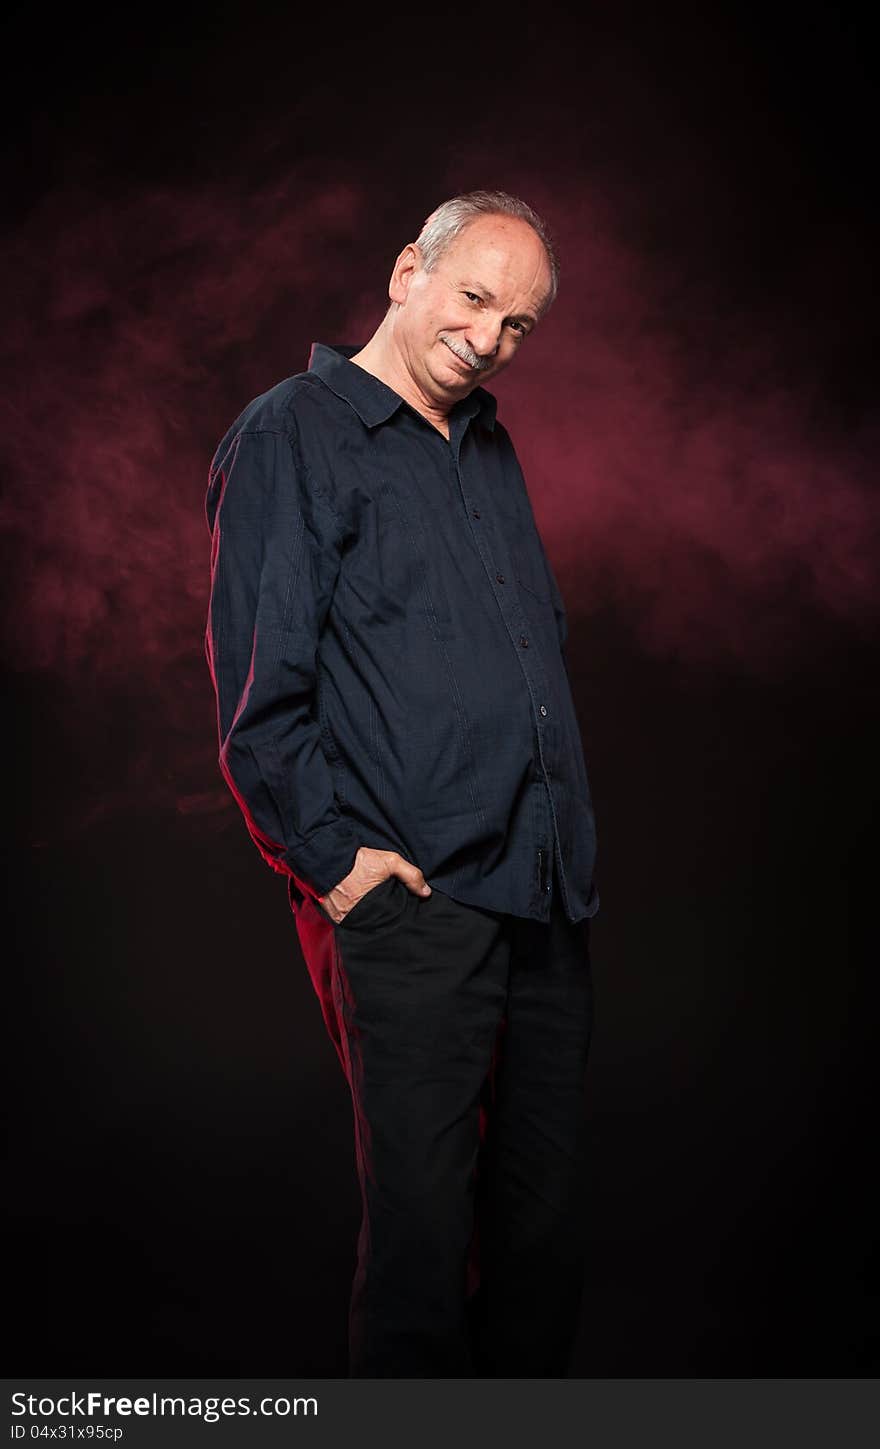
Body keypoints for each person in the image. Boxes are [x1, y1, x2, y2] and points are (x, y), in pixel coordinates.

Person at [204, 190, 599, 1377]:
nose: (489, 340)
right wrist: (333, 866)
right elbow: (260, 698)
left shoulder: (485, 441)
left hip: (542, 900)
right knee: (424, 1251)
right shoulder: (290, 433)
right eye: (475, 299)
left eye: (518, 324)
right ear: (404, 275)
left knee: (540, 1242)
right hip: (409, 903)